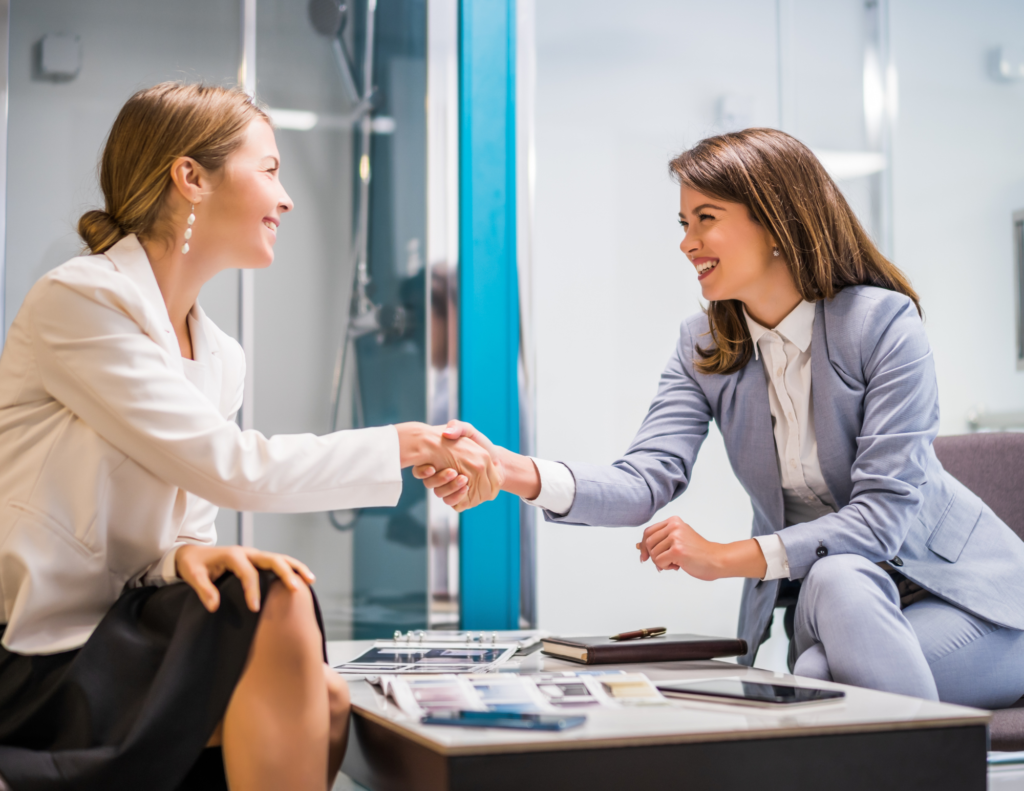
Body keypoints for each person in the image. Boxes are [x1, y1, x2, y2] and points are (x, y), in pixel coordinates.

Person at [0, 82, 499, 791]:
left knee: (299, 640)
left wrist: (189, 558)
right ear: (190, 177)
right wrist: (406, 443)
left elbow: (186, 530)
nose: (287, 197)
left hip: (131, 624)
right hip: (50, 654)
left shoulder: (219, 354)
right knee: (280, 608)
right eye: (269, 169)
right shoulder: (82, 300)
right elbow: (228, 469)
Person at [419, 128, 1024, 710]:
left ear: (779, 221)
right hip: (836, 602)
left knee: (819, 665)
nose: (687, 243)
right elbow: (644, 479)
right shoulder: (705, 344)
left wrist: (727, 556)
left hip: (974, 607)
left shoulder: (882, 324)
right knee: (834, 593)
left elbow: (880, 522)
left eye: (706, 218)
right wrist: (511, 470)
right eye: (685, 224)